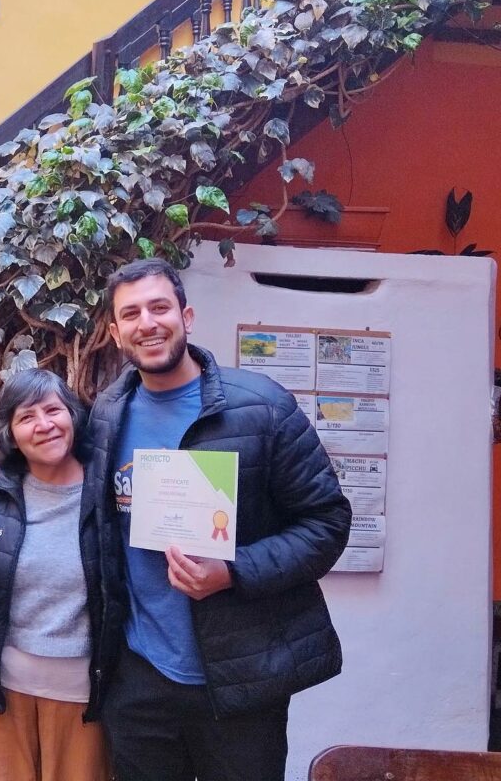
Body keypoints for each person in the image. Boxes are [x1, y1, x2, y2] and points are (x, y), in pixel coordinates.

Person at [91, 257, 352, 781]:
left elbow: (327, 524)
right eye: (132, 314)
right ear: (116, 333)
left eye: (159, 307)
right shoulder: (105, 414)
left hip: (241, 679)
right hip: (140, 677)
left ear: (186, 316)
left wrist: (233, 571)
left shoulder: (263, 408)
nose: (148, 323)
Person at [0, 369, 109, 781]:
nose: (44, 425)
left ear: (73, 416)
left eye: (53, 410)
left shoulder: (110, 495)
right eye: (27, 416)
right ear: (11, 432)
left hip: (84, 704)